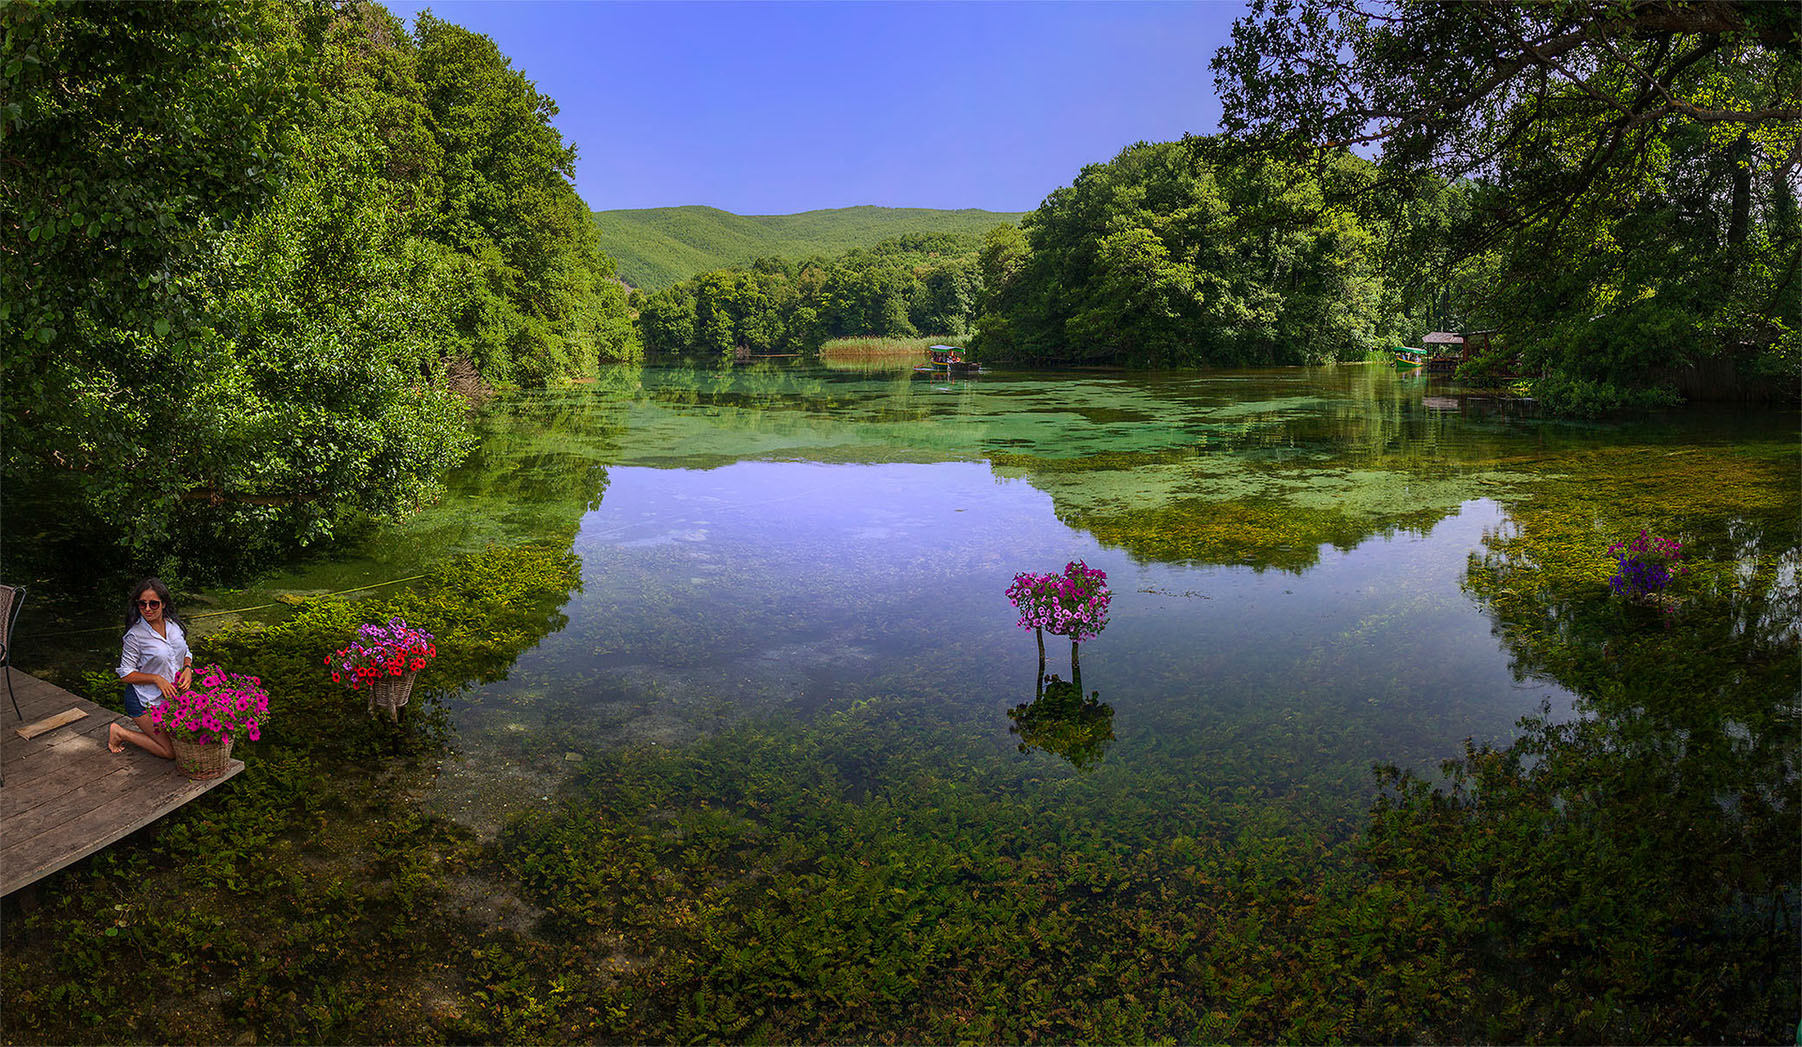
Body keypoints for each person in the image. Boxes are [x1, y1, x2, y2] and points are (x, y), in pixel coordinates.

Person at [108, 577, 191, 759]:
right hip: (143, 700)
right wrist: (156, 679)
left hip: (169, 698)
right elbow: (125, 674)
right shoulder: (135, 636)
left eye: (153, 604)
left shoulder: (174, 626)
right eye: (142, 604)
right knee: (170, 752)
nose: (147, 609)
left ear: (163, 604)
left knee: (187, 741)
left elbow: (185, 651)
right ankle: (120, 732)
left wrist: (187, 669)